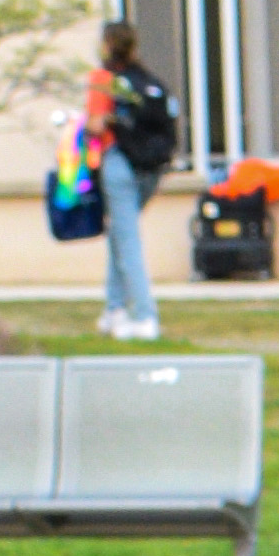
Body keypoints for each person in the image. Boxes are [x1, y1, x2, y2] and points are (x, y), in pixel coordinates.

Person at [73, 20, 167, 344]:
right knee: (119, 233)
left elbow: (97, 125)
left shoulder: (104, 80)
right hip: (151, 170)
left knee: (127, 241)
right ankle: (114, 308)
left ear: (106, 45)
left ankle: (144, 315)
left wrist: (83, 128)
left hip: (119, 164)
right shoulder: (145, 81)